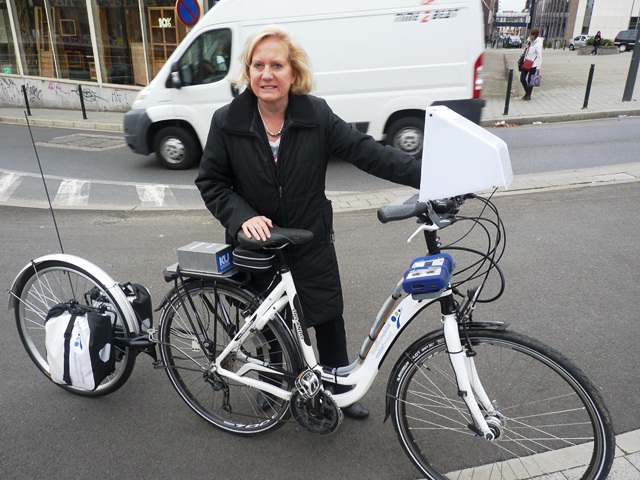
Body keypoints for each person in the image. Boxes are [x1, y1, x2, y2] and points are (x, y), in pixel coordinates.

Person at [195, 25, 421, 420]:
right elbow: (211, 182)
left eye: (277, 65)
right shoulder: (227, 121)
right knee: (268, 321)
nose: (267, 74)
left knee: (327, 314)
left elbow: (366, 152)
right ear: (247, 73)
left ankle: (336, 388)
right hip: (258, 243)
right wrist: (242, 217)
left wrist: (429, 175)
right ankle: (276, 383)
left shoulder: (314, 114)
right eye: (258, 65)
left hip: (310, 237)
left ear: (293, 73)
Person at [520, 28, 542, 101]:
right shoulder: (529, 42)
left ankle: (528, 96)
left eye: (531, 34)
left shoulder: (538, 44)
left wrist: (538, 67)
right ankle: (527, 93)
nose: (529, 35)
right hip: (526, 63)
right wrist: (526, 47)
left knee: (530, 81)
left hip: (533, 64)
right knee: (522, 79)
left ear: (535, 35)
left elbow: (539, 56)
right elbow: (526, 53)